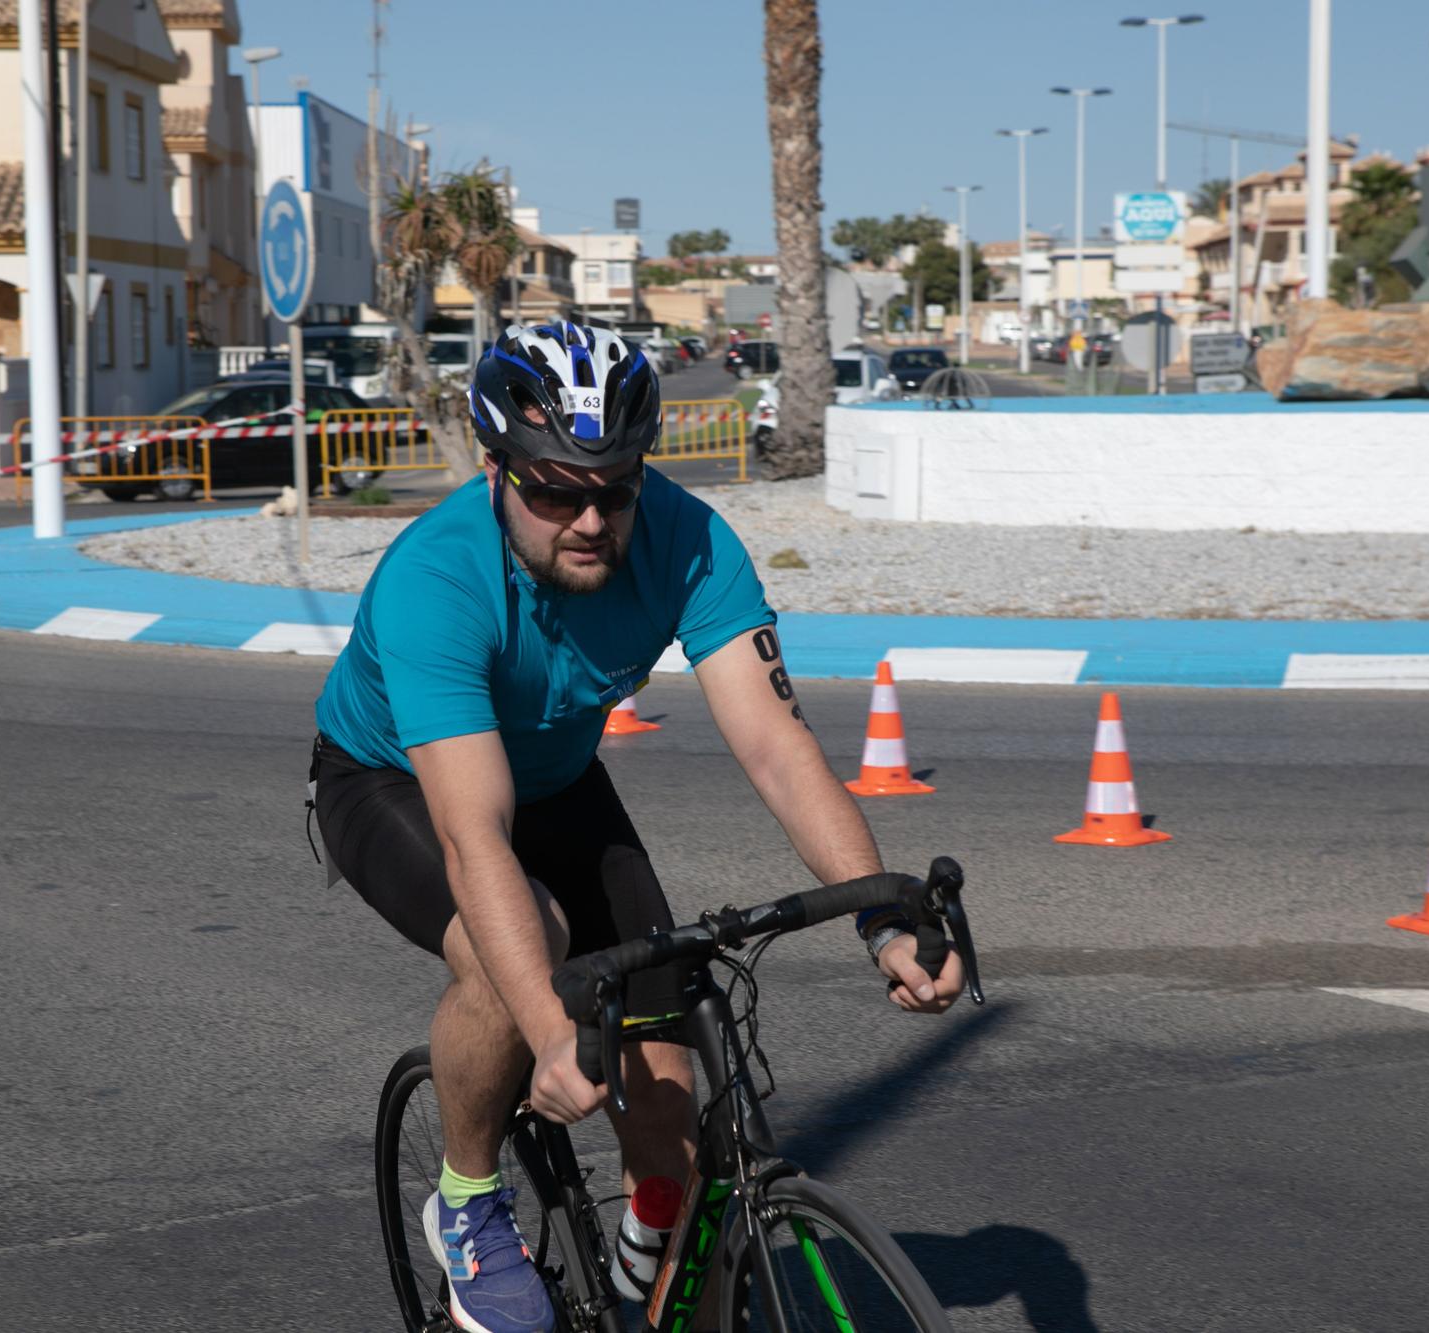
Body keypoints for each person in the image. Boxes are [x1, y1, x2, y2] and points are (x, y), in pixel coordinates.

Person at [309, 321, 965, 1333]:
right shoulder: (435, 581)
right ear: (497, 470)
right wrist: (545, 1031)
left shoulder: (690, 540)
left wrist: (877, 915)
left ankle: (652, 1240)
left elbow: (778, 749)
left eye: (612, 488)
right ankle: (470, 1202)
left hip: (559, 780)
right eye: (552, 488)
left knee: (665, 1107)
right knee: (517, 949)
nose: (586, 517)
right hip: (392, 782)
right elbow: (474, 836)